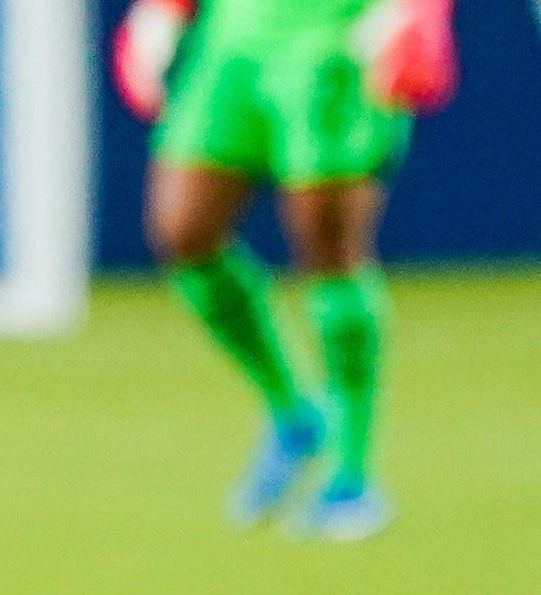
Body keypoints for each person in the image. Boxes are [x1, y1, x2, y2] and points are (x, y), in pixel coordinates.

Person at [115, 0, 456, 536]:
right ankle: (295, 414)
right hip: (235, 38)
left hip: (334, 38)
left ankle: (351, 476)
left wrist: (416, 11)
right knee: (183, 231)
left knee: (329, 249)